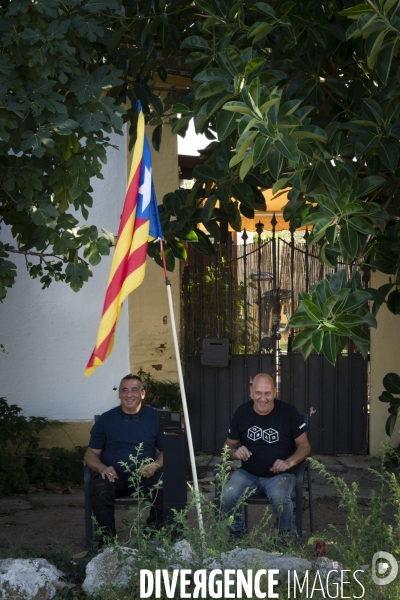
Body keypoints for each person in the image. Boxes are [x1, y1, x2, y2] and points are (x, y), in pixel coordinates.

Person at [220, 373, 310, 538]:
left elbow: (304, 445)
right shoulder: (242, 412)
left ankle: (281, 540)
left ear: (275, 392)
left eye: (267, 393)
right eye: (258, 393)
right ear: (251, 392)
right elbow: (229, 444)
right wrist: (235, 452)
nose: (263, 398)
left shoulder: (288, 412)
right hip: (248, 474)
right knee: (227, 495)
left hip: (280, 475)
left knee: (280, 498)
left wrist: (289, 462)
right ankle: (238, 535)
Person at [84, 374, 164, 547]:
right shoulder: (107, 419)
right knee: (99, 489)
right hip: (114, 477)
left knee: (167, 487)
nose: (129, 395)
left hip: (145, 476)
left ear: (142, 394)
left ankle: (152, 537)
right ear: (119, 394)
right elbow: (90, 454)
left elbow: (169, 452)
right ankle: (108, 542)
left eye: (134, 390)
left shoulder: (155, 418)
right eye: (124, 390)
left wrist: (154, 465)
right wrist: (101, 468)